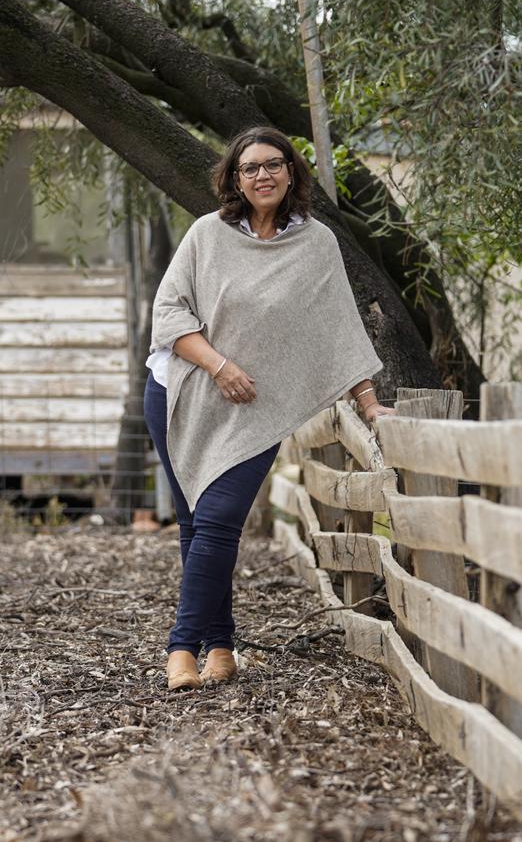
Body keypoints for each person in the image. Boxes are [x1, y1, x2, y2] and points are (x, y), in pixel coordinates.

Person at [143, 126, 395, 691]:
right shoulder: (208, 235)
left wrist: (371, 405)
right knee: (194, 524)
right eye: (251, 167)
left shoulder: (316, 243)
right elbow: (169, 312)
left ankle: (180, 649)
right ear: (235, 178)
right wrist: (219, 366)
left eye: (273, 165)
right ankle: (222, 648)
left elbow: (339, 332)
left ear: (291, 173)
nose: (263, 175)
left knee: (217, 520)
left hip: (255, 411)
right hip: (181, 390)